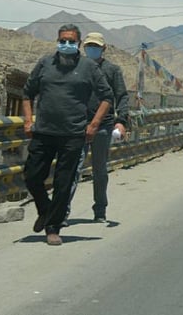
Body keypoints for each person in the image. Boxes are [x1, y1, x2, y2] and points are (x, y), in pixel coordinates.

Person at [22, 24, 113, 246]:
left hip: (73, 134)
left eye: (71, 41)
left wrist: (93, 125)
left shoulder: (88, 67)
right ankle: (45, 210)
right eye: (62, 40)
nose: (66, 44)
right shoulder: (45, 63)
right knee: (32, 176)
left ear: (78, 44)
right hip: (43, 132)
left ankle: (53, 227)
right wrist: (27, 120)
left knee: (64, 183)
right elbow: (27, 93)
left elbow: (107, 97)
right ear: (57, 40)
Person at [70, 32, 129, 223]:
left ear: (103, 49)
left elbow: (122, 96)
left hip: (103, 127)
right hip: (78, 125)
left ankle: (100, 210)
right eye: (89, 46)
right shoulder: (76, 68)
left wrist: (122, 121)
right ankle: (61, 212)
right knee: (73, 169)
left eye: (96, 46)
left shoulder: (112, 70)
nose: (92, 50)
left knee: (99, 170)